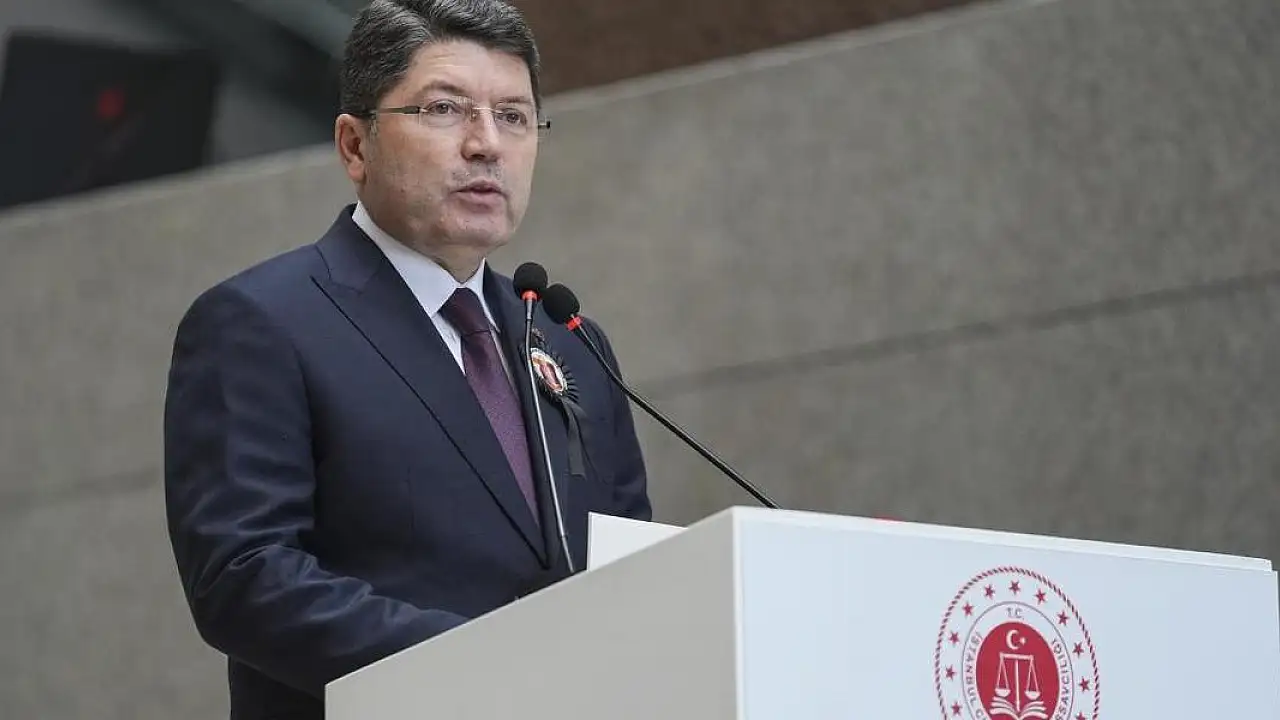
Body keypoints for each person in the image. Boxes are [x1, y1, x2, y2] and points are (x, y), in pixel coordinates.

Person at [161, 1, 652, 717]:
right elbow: (244, 577)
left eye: (514, 116)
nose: (487, 144)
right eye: (445, 109)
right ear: (354, 146)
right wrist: (491, 668)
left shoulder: (567, 337)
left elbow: (635, 567)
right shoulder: (262, 322)